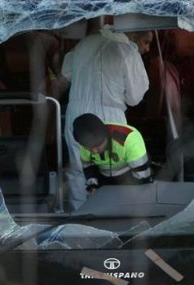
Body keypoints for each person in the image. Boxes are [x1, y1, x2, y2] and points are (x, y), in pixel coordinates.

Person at [60, 23, 152, 209]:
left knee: (80, 171)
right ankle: (112, 218)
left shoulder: (84, 44)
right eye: (145, 41)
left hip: (76, 114)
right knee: (114, 170)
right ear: (133, 33)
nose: (147, 48)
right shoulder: (127, 51)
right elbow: (135, 98)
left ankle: (79, 221)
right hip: (110, 116)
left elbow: (64, 75)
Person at [73, 113, 152, 195]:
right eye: (89, 147)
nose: (94, 151)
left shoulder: (130, 140)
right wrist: (92, 187)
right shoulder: (84, 143)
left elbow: (143, 179)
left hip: (129, 175)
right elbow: (88, 167)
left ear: (106, 135)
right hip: (103, 176)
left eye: (98, 145)